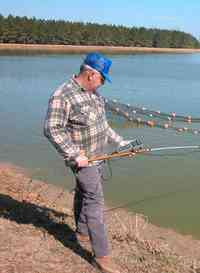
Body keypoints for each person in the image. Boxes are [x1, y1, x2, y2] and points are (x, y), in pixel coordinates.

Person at [44, 52, 129, 273]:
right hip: (82, 160)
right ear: (91, 74)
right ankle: (102, 256)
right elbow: (52, 128)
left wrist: (121, 143)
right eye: (102, 79)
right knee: (95, 202)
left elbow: (103, 126)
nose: (103, 84)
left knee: (83, 193)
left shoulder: (96, 96)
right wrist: (74, 155)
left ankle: (81, 231)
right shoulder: (62, 95)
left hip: (100, 156)